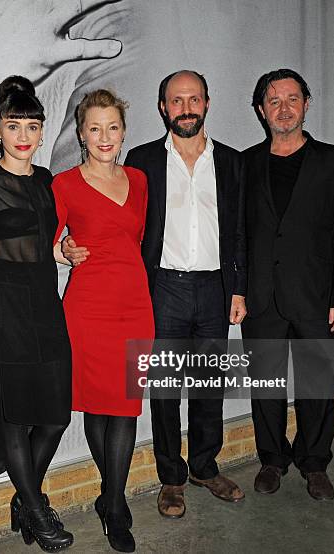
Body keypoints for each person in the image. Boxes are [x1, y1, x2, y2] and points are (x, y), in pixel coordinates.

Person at [63, 70, 247, 518]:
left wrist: (238, 289)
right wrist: (67, 246)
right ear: (163, 107)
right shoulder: (142, 162)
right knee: (164, 390)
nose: (186, 107)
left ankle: (205, 465)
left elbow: (240, 230)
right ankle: (172, 478)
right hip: (160, 287)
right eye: (176, 99)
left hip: (214, 287)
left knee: (208, 385)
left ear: (207, 102)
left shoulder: (232, 162)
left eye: (194, 98)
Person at [242, 69, 334, 500]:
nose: (284, 108)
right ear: (261, 110)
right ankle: (272, 460)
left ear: (307, 104)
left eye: (293, 99)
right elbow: (240, 234)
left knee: (316, 387)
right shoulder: (246, 163)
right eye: (274, 101)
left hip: (318, 299)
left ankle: (315, 463)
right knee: (266, 388)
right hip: (262, 298)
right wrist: (240, 291)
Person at [0, 76, 74, 552]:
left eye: (33, 125)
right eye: (14, 126)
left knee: (54, 417)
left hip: (45, 306)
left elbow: (43, 245)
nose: (24, 135)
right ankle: (35, 508)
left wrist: (63, 249)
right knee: (14, 419)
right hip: (2, 311)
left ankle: (25, 498)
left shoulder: (50, 181)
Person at [52, 89, 155, 553]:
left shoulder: (139, 178)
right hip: (88, 308)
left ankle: (111, 498)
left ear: (124, 131)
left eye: (112, 127)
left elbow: (135, 239)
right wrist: (65, 251)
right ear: (81, 134)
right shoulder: (65, 184)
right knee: (98, 406)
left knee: (127, 406)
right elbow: (50, 245)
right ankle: (114, 503)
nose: (105, 136)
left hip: (135, 305)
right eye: (95, 128)